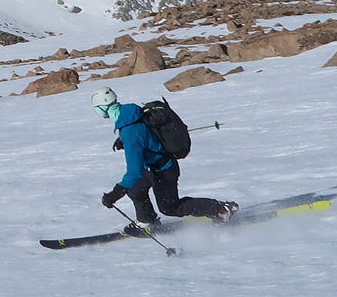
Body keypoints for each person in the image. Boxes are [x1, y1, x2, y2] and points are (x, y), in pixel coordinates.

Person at [90, 87, 235, 226]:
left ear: (102, 108)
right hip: (151, 167)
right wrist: (125, 140)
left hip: (164, 169)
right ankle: (148, 220)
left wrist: (114, 195)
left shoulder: (129, 131)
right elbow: (142, 132)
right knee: (135, 190)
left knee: (170, 207)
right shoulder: (130, 113)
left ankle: (221, 209)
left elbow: (133, 172)